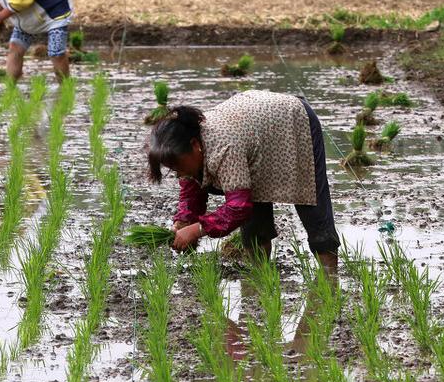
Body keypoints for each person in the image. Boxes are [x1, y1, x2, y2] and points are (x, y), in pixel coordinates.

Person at [146, 90, 341, 273]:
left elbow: (238, 208)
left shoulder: (225, 148)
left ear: (195, 145)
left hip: (292, 121)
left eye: (178, 166)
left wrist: (197, 230)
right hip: (254, 133)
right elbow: (192, 191)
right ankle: (259, 275)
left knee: (311, 204)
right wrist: (184, 220)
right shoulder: (189, 150)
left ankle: (329, 276)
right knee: (253, 219)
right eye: (173, 169)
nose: (179, 174)